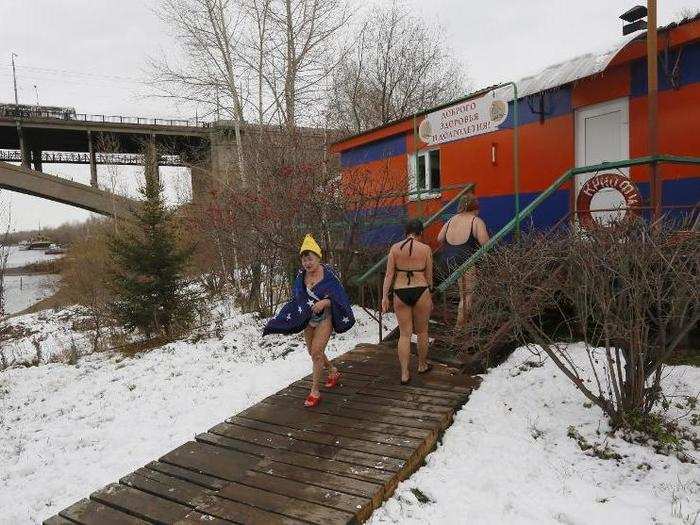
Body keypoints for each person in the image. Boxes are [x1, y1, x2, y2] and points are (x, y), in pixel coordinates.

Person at [263, 234, 355, 407]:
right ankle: (332, 371)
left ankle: (314, 391)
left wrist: (324, 302)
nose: (307, 263)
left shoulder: (329, 275)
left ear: (318, 257)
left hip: (325, 318)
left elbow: (339, 297)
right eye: (304, 260)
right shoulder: (300, 275)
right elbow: (297, 298)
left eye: (310, 259)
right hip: (308, 319)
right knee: (313, 353)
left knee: (317, 352)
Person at [381, 219, 433, 385]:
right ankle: (422, 365)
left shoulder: (395, 248)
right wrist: (430, 294)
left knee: (404, 334)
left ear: (406, 232)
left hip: (400, 290)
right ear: (420, 233)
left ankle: (404, 373)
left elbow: (389, 275)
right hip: (421, 289)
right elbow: (429, 276)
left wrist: (384, 296)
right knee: (423, 331)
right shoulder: (425, 249)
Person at [437, 192, 490, 328]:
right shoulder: (476, 221)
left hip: (447, 261)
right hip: (465, 261)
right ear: (476, 207)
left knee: (463, 294)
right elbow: (486, 243)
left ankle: (464, 322)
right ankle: (459, 329)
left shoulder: (451, 220)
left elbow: (440, 238)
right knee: (466, 296)